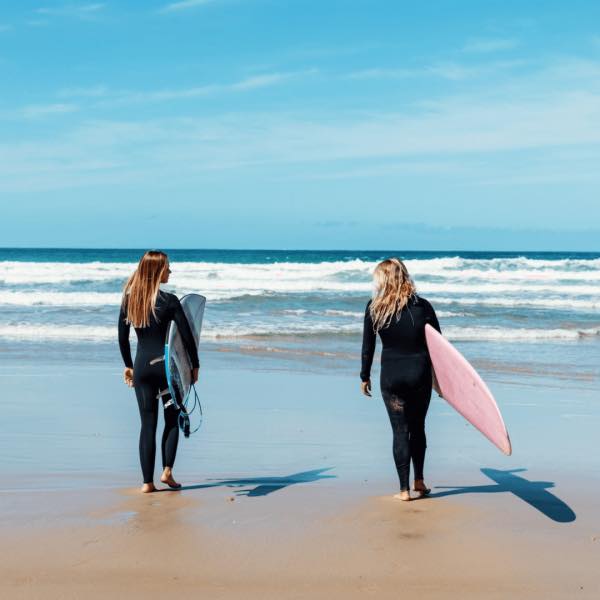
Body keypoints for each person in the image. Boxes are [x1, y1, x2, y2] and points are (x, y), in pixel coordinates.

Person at [360, 258, 441, 501]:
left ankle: (404, 490)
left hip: (392, 377)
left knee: (399, 431)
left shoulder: (375, 308)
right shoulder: (423, 307)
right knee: (418, 429)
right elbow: (439, 346)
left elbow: (368, 346)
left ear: (382, 279)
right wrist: (441, 381)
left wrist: (364, 376)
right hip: (419, 374)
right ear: (404, 276)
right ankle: (420, 481)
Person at [118, 250, 199, 493]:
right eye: (167, 267)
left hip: (142, 368)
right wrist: (194, 366)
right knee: (172, 418)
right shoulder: (170, 301)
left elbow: (122, 339)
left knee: (147, 424)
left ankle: (146, 483)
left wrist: (129, 365)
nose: (170, 271)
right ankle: (167, 472)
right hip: (166, 368)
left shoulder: (130, 300)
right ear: (157, 271)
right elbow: (186, 338)